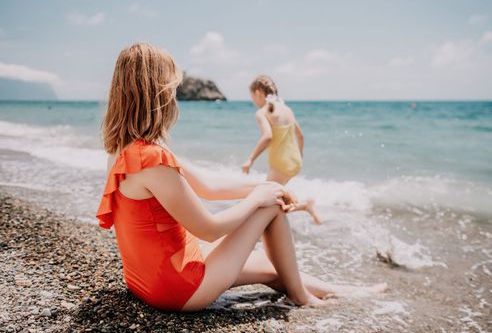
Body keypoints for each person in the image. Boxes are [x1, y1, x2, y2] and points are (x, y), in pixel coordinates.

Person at [96, 43, 386, 312]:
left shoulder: (126, 149)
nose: (174, 96)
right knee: (269, 207)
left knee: (274, 268)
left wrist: (267, 185)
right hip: (177, 288)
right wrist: (260, 198)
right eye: (172, 89)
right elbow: (209, 229)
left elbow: (209, 186)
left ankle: (344, 291)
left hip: (146, 278)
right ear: (158, 94)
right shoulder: (151, 159)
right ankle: (301, 296)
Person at [242, 75, 321, 225]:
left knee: (264, 200)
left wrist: (250, 160)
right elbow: (301, 136)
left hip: (280, 164)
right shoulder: (287, 109)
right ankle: (305, 205)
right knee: (276, 200)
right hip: (294, 162)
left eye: (252, 97)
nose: (253, 101)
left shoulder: (262, 112)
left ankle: (259, 232)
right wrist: (299, 157)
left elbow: (267, 137)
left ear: (258, 92)